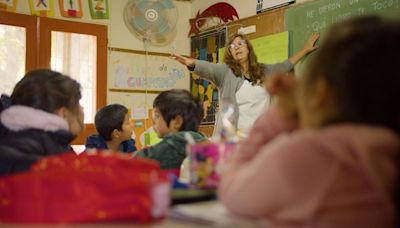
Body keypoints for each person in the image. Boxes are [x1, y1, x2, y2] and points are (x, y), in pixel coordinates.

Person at [218, 16, 400, 227]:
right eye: (233, 46)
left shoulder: (306, 153)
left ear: (319, 94)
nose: (237, 48)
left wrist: (277, 117)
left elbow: (232, 193)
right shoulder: (389, 151)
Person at [171, 33, 319, 136]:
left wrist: (305, 49)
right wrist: (191, 63)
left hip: (261, 137)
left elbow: (285, 65)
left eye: (240, 44)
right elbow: (209, 69)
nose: (236, 47)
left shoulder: (264, 71)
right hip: (235, 139)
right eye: (232, 47)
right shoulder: (225, 72)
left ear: (248, 49)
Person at [0, 69, 84, 175]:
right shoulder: (33, 159)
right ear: (63, 113)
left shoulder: (51, 142)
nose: (82, 108)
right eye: (78, 103)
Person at [135, 89, 207, 170]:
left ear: (177, 122)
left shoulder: (178, 143)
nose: (153, 121)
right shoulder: (199, 139)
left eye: (157, 116)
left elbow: (136, 161)